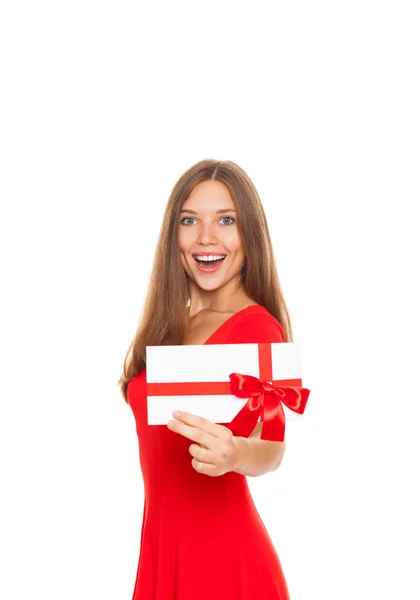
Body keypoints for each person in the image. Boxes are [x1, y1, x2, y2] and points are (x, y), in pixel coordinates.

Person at [119, 158, 294, 599]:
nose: (206, 237)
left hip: (222, 562)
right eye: (190, 220)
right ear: (173, 235)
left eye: (226, 220)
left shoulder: (258, 329)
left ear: (249, 235)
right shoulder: (167, 328)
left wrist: (235, 452)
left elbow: (272, 447)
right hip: (161, 552)